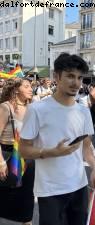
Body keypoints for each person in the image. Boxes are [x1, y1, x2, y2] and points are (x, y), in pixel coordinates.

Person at [19, 53, 95, 225]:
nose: (76, 83)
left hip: (79, 187)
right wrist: (51, 152)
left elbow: (87, 147)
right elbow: (23, 149)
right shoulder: (37, 110)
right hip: (50, 190)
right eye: (70, 76)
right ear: (56, 76)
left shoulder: (84, 111)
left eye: (79, 77)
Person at [0, 78, 34, 225]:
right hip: (8, 156)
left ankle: (27, 221)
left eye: (31, 86)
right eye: (26, 86)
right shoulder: (6, 107)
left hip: (28, 158)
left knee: (27, 198)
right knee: (5, 196)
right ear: (16, 90)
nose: (31, 89)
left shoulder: (32, 108)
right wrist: (1, 162)